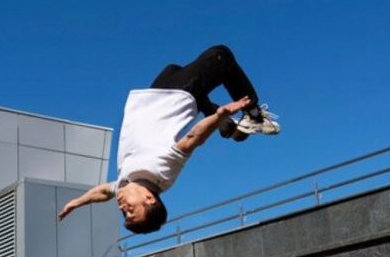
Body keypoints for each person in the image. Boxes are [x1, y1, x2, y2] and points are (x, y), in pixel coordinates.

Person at [57, 45, 279, 234]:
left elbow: (102, 192)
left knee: (173, 68)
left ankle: (227, 127)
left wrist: (76, 203)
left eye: (124, 213)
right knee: (221, 56)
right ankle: (255, 116)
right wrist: (219, 115)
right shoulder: (161, 174)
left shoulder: (126, 183)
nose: (123, 208)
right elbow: (192, 139)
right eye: (131, 211)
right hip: (176, 96)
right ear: (149, 199)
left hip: (152, 98)